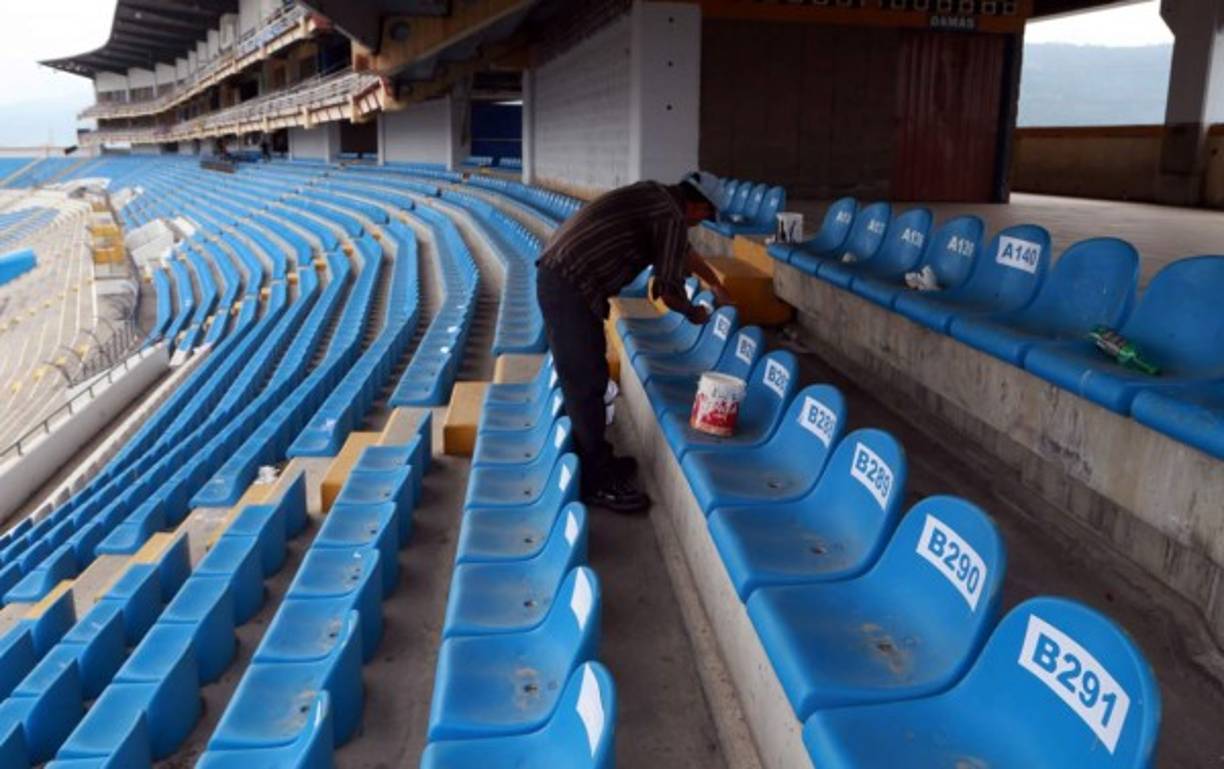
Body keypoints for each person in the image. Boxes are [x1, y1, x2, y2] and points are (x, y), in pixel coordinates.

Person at [536, 171, 732, 513]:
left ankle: (599, 459)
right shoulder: (672, 215)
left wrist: (715, 284)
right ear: (697, 205)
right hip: (570, 285)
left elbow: (682, 252)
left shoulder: (655, 194)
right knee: (586, 383)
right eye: (706, 216)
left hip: (559, 275)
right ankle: (596, 483)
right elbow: (667, 293)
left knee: (588, 377)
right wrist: (694, 312)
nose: (703, 224)